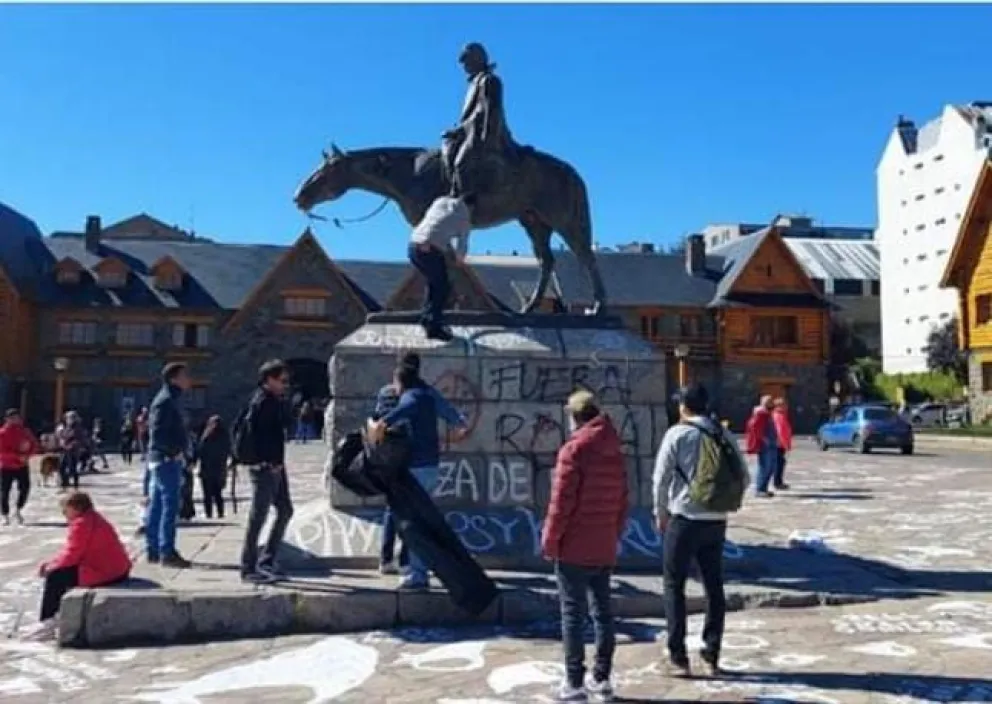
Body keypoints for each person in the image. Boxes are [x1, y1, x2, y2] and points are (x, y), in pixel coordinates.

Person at [653, 384, 748, 678]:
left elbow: (661, 478)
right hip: (716, 520)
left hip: (684, 517)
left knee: (674, 585)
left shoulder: (677, 434)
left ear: (684, 406)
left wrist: (660, 512)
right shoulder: (723, 433)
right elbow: (744, 476)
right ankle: (711, 654)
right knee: (713, 586)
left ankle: (678, 657)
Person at [541, 390, 627, 703]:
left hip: (574, 546)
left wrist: (550, 541)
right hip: (604, 543)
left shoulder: (573, 451)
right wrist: (613, 534)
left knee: (573, 615)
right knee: (603, 613)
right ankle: (602, 678)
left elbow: (560, 504)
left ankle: (574, 682)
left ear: (575, 417)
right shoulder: (614, 449)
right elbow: (623, 500)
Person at [367, 358, 469, 590]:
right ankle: (416, 568)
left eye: (396, 382)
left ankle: (417, 574)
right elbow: (451, 415)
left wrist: (376, 432)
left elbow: (386, 420)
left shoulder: (411, 398)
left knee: (412, 522)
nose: (394, 387)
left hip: (415, 467)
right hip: (430, 465)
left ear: (401, 381)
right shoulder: (428, 394)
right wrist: (459, 424)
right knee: (416, 519)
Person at [28, 491, 131, 641]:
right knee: (61, 572)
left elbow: (72, 555)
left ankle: (48, 621)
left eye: (65, 509)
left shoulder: (82, 524)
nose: (63, 513)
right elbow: (72, 552)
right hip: (115, 568)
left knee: (56, 577)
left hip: (104, 571)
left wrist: (50, 567)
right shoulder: (93, 518)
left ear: (76, 508)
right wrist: (53, 563)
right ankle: (56, 615)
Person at [240, 360, 294, 584]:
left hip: (275, 466)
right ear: (269, 380)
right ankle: (249, 567)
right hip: (265, 468)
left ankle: (267, 560)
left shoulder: (273, 400)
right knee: (258, 517)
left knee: (285, 510)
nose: (285, 385)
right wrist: (268, 462)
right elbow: (260, 437)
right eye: (282, 380)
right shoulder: (262, 402)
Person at [441, 42, 516, 197]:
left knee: (461, 164)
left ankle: (467, 203)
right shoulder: (474, 83)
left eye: (466, 60)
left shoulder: (490, 80)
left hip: (484, 133)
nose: (464, 65)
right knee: (447, 148)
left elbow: (485, 112)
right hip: (471, 131)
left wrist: (461, 130)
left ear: (477, 59)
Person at [408, 193, 475, 342]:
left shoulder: (440, 201)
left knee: (434, 283)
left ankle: (426, 318)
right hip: (430, 250)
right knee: (443, 287)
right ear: (471, 207)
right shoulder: (464, 216)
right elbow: (462, 244)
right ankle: (433, 327)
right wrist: (459, 261)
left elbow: (437, 222)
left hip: (412, 246)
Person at [146, 363, 193, 568]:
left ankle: (154, 549)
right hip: (166, 459)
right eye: (184, 375)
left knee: (157, 505)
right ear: (173, 378)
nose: (188, 379)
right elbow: (158, 432)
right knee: (169, 506)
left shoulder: (170, 398)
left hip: (161, 458)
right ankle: (167, 551)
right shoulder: (166, 401)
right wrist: (173, 452)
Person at [0, 409, 40, 526]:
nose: (15, 420)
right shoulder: (3, 433)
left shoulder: (25, 431)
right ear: (7, 419)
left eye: (17, 418)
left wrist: (28, 455)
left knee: (25, 487)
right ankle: (5, 514)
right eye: (12, 418)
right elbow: (2, 452)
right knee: (5, 491)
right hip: (7, 466)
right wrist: (17, 456)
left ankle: (18, 509)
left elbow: (35, 445)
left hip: (22, 465)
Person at [197, 415, 230, 519]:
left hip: (208, 469)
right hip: (217, 469)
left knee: (209, 494)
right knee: (217, 493)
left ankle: (209, 514)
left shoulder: (206, 436)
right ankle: (219, 513)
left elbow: (200, 450)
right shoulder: (224, 437)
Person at [744, 395, 777, 498]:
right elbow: (754, 427)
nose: (772, 403)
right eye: (770, 401)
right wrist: (763, 438)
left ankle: (764, 488)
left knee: (770, 467)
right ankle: (760, 489)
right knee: (765, 466)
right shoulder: (760, 414)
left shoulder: (767, 413)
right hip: (765, 445)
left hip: (771, 443)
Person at [58, 411, 90, 490]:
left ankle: (75, 487)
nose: (68, 420)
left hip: (73, 451)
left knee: (72, 469)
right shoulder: (66, 427)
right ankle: (64, 485)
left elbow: (80, 440)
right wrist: (61, 440)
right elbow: (62, 436)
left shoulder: (78, 428)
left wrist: (71, 445)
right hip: (64, 450)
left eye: (70, 418)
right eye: (67, 418)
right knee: (61, 468)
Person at [772, 398, 793, 491]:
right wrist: (785, 444)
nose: (787, 407)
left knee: (780, 463)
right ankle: (777, 482)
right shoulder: (779, 416)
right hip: (779, 444)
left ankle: (778, 482)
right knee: (779, 464)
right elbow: (780, 431)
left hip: (779, 444)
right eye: (784, 405)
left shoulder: (779, 415)